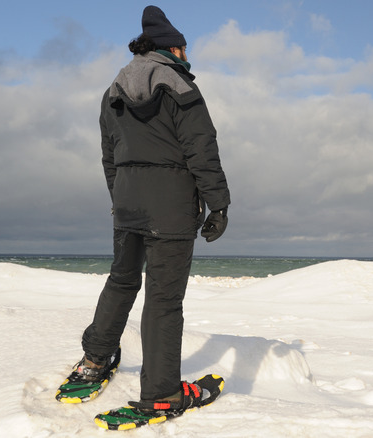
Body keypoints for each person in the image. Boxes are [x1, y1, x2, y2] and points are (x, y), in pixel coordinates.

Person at [74, 5, 230, 409]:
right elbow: (201, 148)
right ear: (173, 49)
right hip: (171, 210)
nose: (185, 54)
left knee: (121, 281)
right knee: (163, 299)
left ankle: (94, 360)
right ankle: (162, 393)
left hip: (127, 207)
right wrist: (219, 204)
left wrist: (121, 198)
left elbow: (109, 156)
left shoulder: (113, 90)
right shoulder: (179, 86)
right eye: (183, 48)